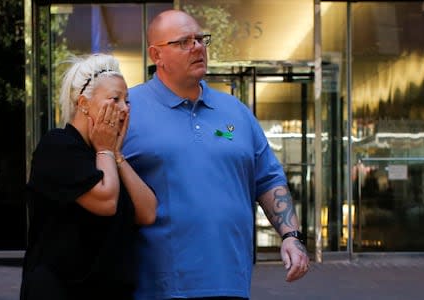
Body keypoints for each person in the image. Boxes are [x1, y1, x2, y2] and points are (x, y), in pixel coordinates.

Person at [122, 9, 309, 300]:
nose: (197, 47)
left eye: (201, 39)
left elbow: (269, 178)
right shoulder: (128, 110)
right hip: (156, 287)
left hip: (230, 281)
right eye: (184, 42)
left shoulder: (235, 111)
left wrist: (291, 236)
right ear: (156, 55)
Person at [20, 53, 157, 300]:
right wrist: (105, 149)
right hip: (61, 291)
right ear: (83, 103)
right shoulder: (57, 146)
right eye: (115, 99)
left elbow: (147, 212)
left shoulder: (109, 157)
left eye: (127, 100)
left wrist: (115, 153)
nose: (125, 108)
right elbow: (105, 202)